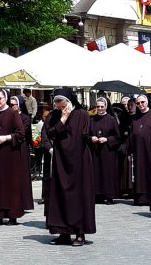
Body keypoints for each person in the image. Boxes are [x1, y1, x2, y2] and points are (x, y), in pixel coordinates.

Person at [45, 88, 95, 246]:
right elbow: (51, 133)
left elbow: (86, 135)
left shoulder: (82, 114)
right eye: (57, 103)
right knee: (60, 195)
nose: (59, 106)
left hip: (79, 160)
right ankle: (63, 233)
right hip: (61, 160)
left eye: (61, 103)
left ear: (68, 100)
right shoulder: (54, 115)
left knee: (79, 196)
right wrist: (63, 119)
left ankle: (80, 233)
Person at [0, 88, 34, 225]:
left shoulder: (13, 114)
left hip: (10, 155)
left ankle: (12, 215)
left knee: (11, 185)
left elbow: (20, 134)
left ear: (5, 98)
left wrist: (6, 138)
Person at [129, 94, 151, 205]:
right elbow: (131, 135)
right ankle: (140, 198)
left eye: (142, 102)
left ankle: (150, 197)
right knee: (139, 174)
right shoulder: (135, 117)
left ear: (147, 102)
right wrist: (130, 151)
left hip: (150, 150)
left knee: (149, 172)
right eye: (138, 103)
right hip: (137, 151)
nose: (140, 105)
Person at [89, 97, 121, 205]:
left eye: (102, 106)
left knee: (107, 173)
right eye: (98, 106)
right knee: (95, 173)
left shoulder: (111, 119)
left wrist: (107, 139)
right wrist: (91, 138)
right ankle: (97, 194)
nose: (100, 108)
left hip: (108, 151)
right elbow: (86, 135)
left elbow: (117, 137)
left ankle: (109, 196)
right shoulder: (91, 119)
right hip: (95, 151)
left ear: (106, 107)